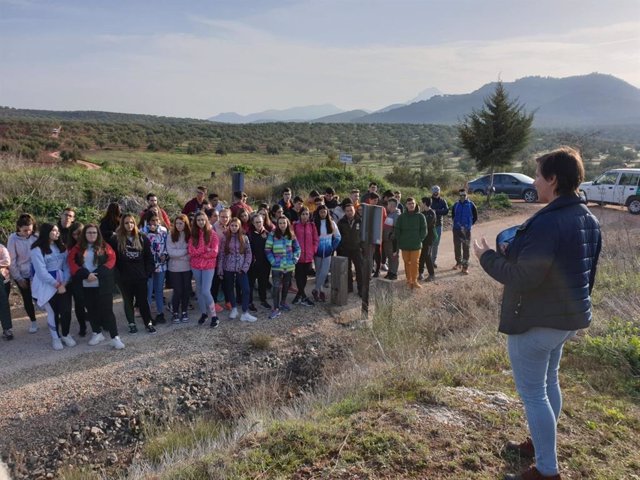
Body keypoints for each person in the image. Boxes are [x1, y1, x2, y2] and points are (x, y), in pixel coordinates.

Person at [473, 147, 602, 480]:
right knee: (548, 382)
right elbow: (585, 272)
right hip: (568, 319)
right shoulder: (588, 218)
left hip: (535, 322)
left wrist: (487, 256)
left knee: (533, 394)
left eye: (538, 175)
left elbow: (523, 277)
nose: (534, 181)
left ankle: (547, 470)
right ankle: (538, 443)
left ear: (553, 180)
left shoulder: (548, 222)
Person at [67, 224, 124, 349]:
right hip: (86, 284)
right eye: (89, 233)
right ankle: (97, 333)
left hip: (103, 284)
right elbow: (71, 262)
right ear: (84, 234)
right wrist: (85, 274)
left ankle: (115, 337)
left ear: (98, 234)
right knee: (91, 310)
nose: (92, 235)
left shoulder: (105, 246)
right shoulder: (77, 248)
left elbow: (112, 260)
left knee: (107, 311)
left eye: (94, 232)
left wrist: (98, 273)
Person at [109, 214, 156, 334]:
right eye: (126, 223)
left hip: (140, 277)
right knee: (128, 301)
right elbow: (111, 259)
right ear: (122, 224)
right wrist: (117, 276)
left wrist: (147, 273)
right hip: (124, 278)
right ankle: (131, 323)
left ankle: (148, 322)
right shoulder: (116, 239)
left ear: (134, 224)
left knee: (142, 301)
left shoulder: (142, 238)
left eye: (131, 222)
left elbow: (149, 258)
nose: (129, 225)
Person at [30, 223, 73, 350]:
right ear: (46, 232)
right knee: (52, 312)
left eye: (57, 231)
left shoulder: (61, 247)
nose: (57, 233)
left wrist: (64, 282)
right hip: (46, 285)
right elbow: (41, 272)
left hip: (63, 283)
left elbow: (66, 266)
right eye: (54, 230)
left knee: (66, 311)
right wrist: (56, 284)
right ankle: (56, 337)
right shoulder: (36, 249)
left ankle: (65, 334)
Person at [217, 218, 256, 322]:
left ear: (239, 227)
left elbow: (249, 253)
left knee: (246, 289)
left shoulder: (244, 238)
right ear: (229, 226)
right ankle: (234, 308)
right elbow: (221, 254)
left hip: (241, 268)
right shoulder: (225, 238)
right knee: (229, 288)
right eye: (232, 225)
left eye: (236, 226)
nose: (234, 228)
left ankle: (245, 312)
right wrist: (220, 269)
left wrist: (245, 267)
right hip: (227, 267)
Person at [7, 214, 39, 333]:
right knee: (27, 298)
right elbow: (12, 261)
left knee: (40, 296)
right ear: (18, 228)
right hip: (21, 273)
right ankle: (33, 321)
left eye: (30, 230)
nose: (27, 232)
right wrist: (18, 278)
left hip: (36, 273)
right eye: (25, 230)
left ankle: (53, 317)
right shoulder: (13, 239)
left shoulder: (35, 237)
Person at [265, 216, 300, 319]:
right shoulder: (272, 234)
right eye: (280, 223)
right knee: (276, 286)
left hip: (289, 266)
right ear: (277, 224)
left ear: (287, 223)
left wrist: (294, 259)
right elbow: (267, 249)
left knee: (286, 285)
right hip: (277, 266)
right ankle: (275, 308)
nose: (282, 225)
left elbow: (297, 248)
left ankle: (283, 302)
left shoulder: (291, 235)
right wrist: (273, 261)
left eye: (284, 223)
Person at [188, 211, 219, 328]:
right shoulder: (193, 235)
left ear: (206, 220)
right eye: (198, 220)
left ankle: (214, 316)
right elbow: (191, 251)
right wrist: (205, 250)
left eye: (203, 220)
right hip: (195, 266)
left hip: (208, 266)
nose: (201, 222)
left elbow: (214, 252)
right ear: (195, 222)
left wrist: (201, 254)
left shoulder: (212, 234)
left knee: (206, 291)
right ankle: (203, 314)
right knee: (199, 290)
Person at [141, 212, 169, 324]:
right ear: (148, 221)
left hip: (161, 265)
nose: (155, 222)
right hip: (148, 266)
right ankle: (148, 316)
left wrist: (165, 254)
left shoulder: (163, 231)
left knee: (159, 290)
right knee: (148, 291)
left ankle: (160, 313)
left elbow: (168, 245)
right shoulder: (142, 232)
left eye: (157, 220)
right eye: (152, 220)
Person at [394, 197, 427, 289]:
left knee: (415, 262)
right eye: (409, 203)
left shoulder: (420, 216)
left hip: (416, 244)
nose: (411, 205)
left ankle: (414, 281)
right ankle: (409, 280)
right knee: (406, 262)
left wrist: (419, 239)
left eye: (413, 203)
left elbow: (424, 230)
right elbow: (397, 230)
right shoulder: (401, 217)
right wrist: (400, 240)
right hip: (405, 245)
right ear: (406, 205)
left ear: (415, 204)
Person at [312, 205, 341, 302]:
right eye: (321, 212)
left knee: (324, 272)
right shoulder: (314, 223)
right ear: (318, 213)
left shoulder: (332, 223)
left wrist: (332, 247)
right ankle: (321, 291)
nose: (323, 214)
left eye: (324, 212)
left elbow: (338, 237)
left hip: (328, 252)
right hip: (317, 252)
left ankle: (315, 289)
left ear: (327, 212)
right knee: (318, 272)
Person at [167, 214, 192, 324]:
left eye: (181, 223)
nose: (178, 225)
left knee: (186, 290)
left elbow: (192, 252)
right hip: (174, 268)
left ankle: (184, 311)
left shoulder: (190, 235)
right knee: (177, 291)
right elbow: (171, 253)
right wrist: (185, 251)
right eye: (176, 223)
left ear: (185, 224)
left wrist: (182, 253)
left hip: (187, 267)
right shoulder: (170, 235)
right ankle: (175, 312)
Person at [292, 207, 318, 306]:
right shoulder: (295, 225)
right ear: (300, 215)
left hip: (308, 256)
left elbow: (315, 240)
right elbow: (292, 239)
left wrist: (313, 250)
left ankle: (299, 295)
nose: (305, 216)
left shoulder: (312, 226)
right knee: (299, 276)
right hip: (298, 256)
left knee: (305, 276)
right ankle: (303, 296)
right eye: (303, 214)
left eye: (307, 214)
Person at [337, 202, 363, 297]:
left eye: (351, 210)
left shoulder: (360, 221)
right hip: (345, 249)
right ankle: (349, 287)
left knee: (359, 269)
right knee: (346, 270)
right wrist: (339, 248)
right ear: (345, 211)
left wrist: (362, 247)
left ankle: (361, 289)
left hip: (357, 249)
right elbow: (338, 236)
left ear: (354, 210)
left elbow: (363, 235)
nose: (349, 212)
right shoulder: (341, 222)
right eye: (347, 211)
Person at [67, 222, 88, 337]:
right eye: (74, 235)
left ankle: (99, 322)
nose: (77, 237)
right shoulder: (70, 247)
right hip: (77, 278)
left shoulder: (91, 243)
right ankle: (82, 326)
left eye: (79, 233)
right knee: (79, 304)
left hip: (91, 276)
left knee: (93, 302)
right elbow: (71, 263)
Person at [247, 213, 272, 311]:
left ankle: (263, 300)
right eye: (256, 222)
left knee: (263, 282)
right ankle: (250, 302)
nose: (258, 224)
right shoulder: (249, 235)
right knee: (251, 284)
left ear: (263, 222)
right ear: (253, 223)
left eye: (260, 222)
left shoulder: (268, 234)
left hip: (265, 263)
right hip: (252, 264)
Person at [451, 189, 478, 274]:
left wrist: (469, 225)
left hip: (466, 231)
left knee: (466, 249)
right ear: (459, 196)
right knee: (457, 247)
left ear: (466, 195)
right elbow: (453, 216)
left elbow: (475, 217)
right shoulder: (456, 204)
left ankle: (465, 267)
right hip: (456, 229)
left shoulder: (471, 205)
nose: (462, 197)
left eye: (464, 195)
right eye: (461, 195)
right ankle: (458, 263)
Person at [418, 197, 437, 282]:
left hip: (429, 237)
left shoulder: (432, 213)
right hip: (422, 237)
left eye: (421, 202)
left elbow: (427, 224)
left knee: (427, 255)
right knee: (422, 255)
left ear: (425, 203)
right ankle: (420, 273)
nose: (420, 204)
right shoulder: (422, 213)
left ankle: (432, 274)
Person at [381, 198, 400, 280]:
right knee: (389, 256)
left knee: (394, 257)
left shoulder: (396, 214)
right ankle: (390, 272)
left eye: (388, 204)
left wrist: (391, 236)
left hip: (392, 241)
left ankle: (394, 273)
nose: (387, 206)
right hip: (387, 240)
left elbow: (396, 228)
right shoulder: (390, 214)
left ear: (392, 205)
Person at [430, 186, 448, 268]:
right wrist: (439, 211)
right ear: (432, 192)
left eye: (437, 191)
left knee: (435, 244)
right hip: (429, 226)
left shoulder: (443, 201)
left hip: (438, 225)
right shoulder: (428, 200)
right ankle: (427, 260)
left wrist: (436, 211)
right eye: (434, 191)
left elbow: (446, 211)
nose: (435, 192)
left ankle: (432, 261)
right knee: (428, 244)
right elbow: (425, 210)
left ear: (439, 191)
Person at [0, 243, 13, 340]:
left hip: (2, 279)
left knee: (3, 303)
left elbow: (7, 261)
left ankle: (7, 328)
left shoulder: (1, 248)